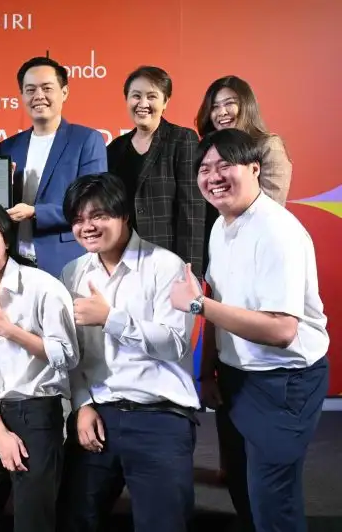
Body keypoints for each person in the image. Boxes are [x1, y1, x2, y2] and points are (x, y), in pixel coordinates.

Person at [171, 129, 329, 532]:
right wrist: (207, 372)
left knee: (273, 501)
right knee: (243, 488)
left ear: (255, 169)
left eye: (225, 165)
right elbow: (219, 303)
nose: (214, 176)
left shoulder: (276, 232)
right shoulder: (222, 224)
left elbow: (281, 330)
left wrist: (197, 305)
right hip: (236, 377)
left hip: (283, 382)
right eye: (205, 168)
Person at [57, 173, 200, 532]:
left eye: (98, 215)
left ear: (124, 214)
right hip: (96, 416)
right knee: (74, 519)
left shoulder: (165, 265)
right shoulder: (71, 273)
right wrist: (81, 405)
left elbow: (176, 344)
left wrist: (111, 319)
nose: (87, 226)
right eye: (78, 219)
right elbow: (71, 354)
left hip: (159, 416)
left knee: (164, 525)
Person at [0, 201, 78, 532]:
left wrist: (12, 332)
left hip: (38, 412)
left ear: (7, 238)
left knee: (33, 521)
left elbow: (67, 355)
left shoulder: (42, 287)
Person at [0, 56, 107, 278]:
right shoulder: (8, 147)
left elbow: (93, 205)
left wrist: (36, 212)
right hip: (14, 264)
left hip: (67, 262)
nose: (38, 96)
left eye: (47, 88)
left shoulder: (86, 140)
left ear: (64, 92)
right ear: (22, 95)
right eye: (30, 90)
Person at [107, 66, 204, 275]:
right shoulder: (115, 149)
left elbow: (192, 213)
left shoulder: (182, 140)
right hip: (124, 261)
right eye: (136, 96)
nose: (143, 104)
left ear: (165, 101)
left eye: (152, 96)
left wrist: (190, 273)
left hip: (168, 261)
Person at [196, 75, 291, 206]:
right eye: (214, 107)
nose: (222, 112)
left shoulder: (269, 146)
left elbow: (271, 206)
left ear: (247, 106)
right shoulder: (209, 150)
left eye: (229, 103)